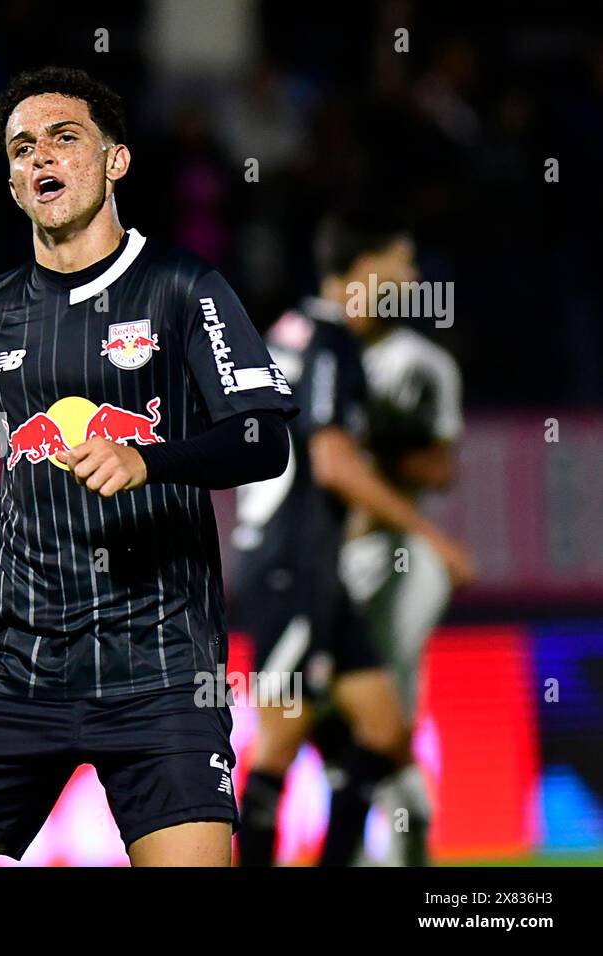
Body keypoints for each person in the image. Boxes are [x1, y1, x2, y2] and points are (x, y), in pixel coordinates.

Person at [0, 66, 295, 867]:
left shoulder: (185, 289)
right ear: (12, 183)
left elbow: (263, 440)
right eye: (21, 147)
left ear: (115, 161)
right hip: (17, 668)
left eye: (63, 137)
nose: (39, 155)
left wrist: (149, 461)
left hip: (161, 671)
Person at [231, 211, 473, 866]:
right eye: (403, 260)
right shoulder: (331, 341)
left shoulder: (290, 330)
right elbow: (334, 463)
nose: (414, 276)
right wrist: (431, 536)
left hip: (311, 568)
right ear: (367, 268)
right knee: (279, 748)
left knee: (386, 732)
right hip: (289, 568)